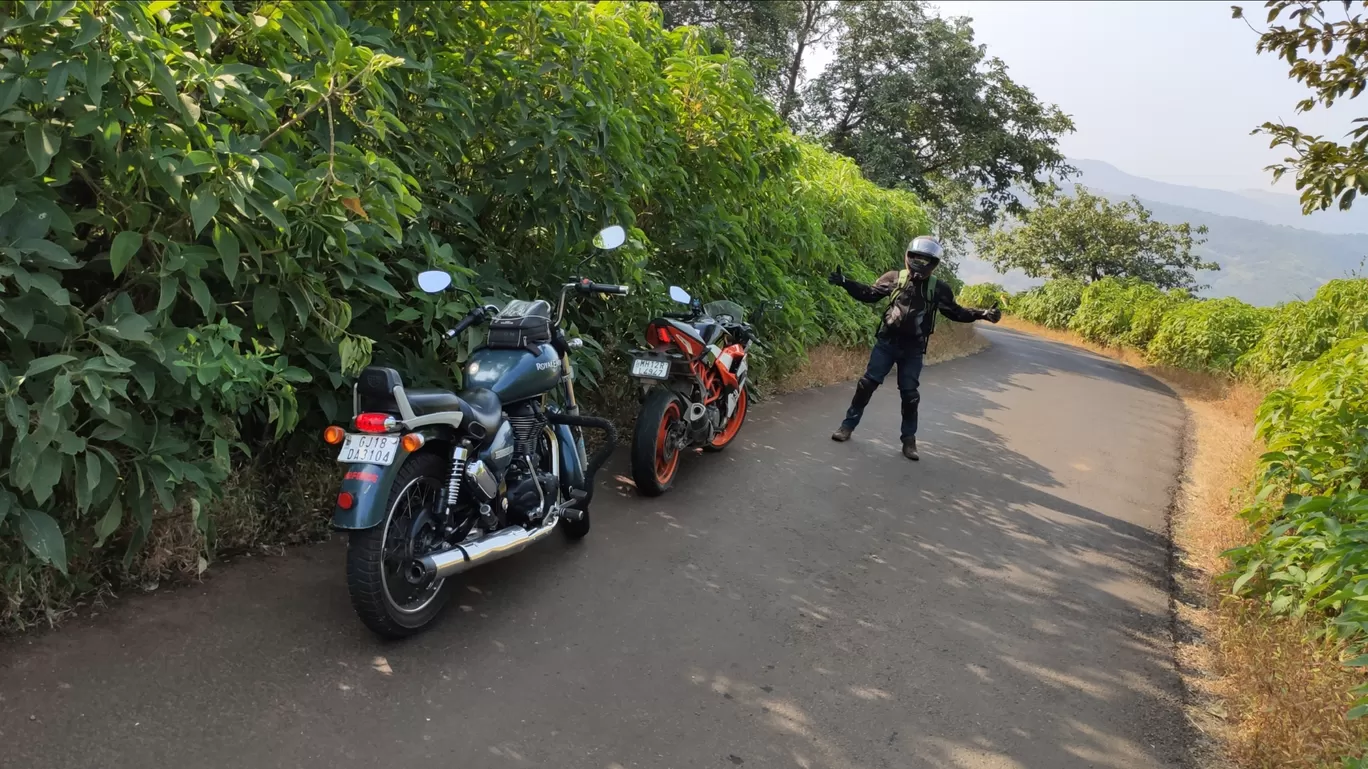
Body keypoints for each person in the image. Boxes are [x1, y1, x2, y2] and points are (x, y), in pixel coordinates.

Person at [828, 236, 1000, 460]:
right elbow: (869, 294)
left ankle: (909, 441)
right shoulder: (894, 278)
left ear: (934, 262)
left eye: (925, 259)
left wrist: (983, 314)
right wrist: (845, 282)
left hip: (913, 349)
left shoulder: (938, 288)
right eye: (916, 257)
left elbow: (956, 312)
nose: (919, 262)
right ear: (909, 256)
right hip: (887, 343)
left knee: (910, 395)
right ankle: (847, 427)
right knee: (867, 384)